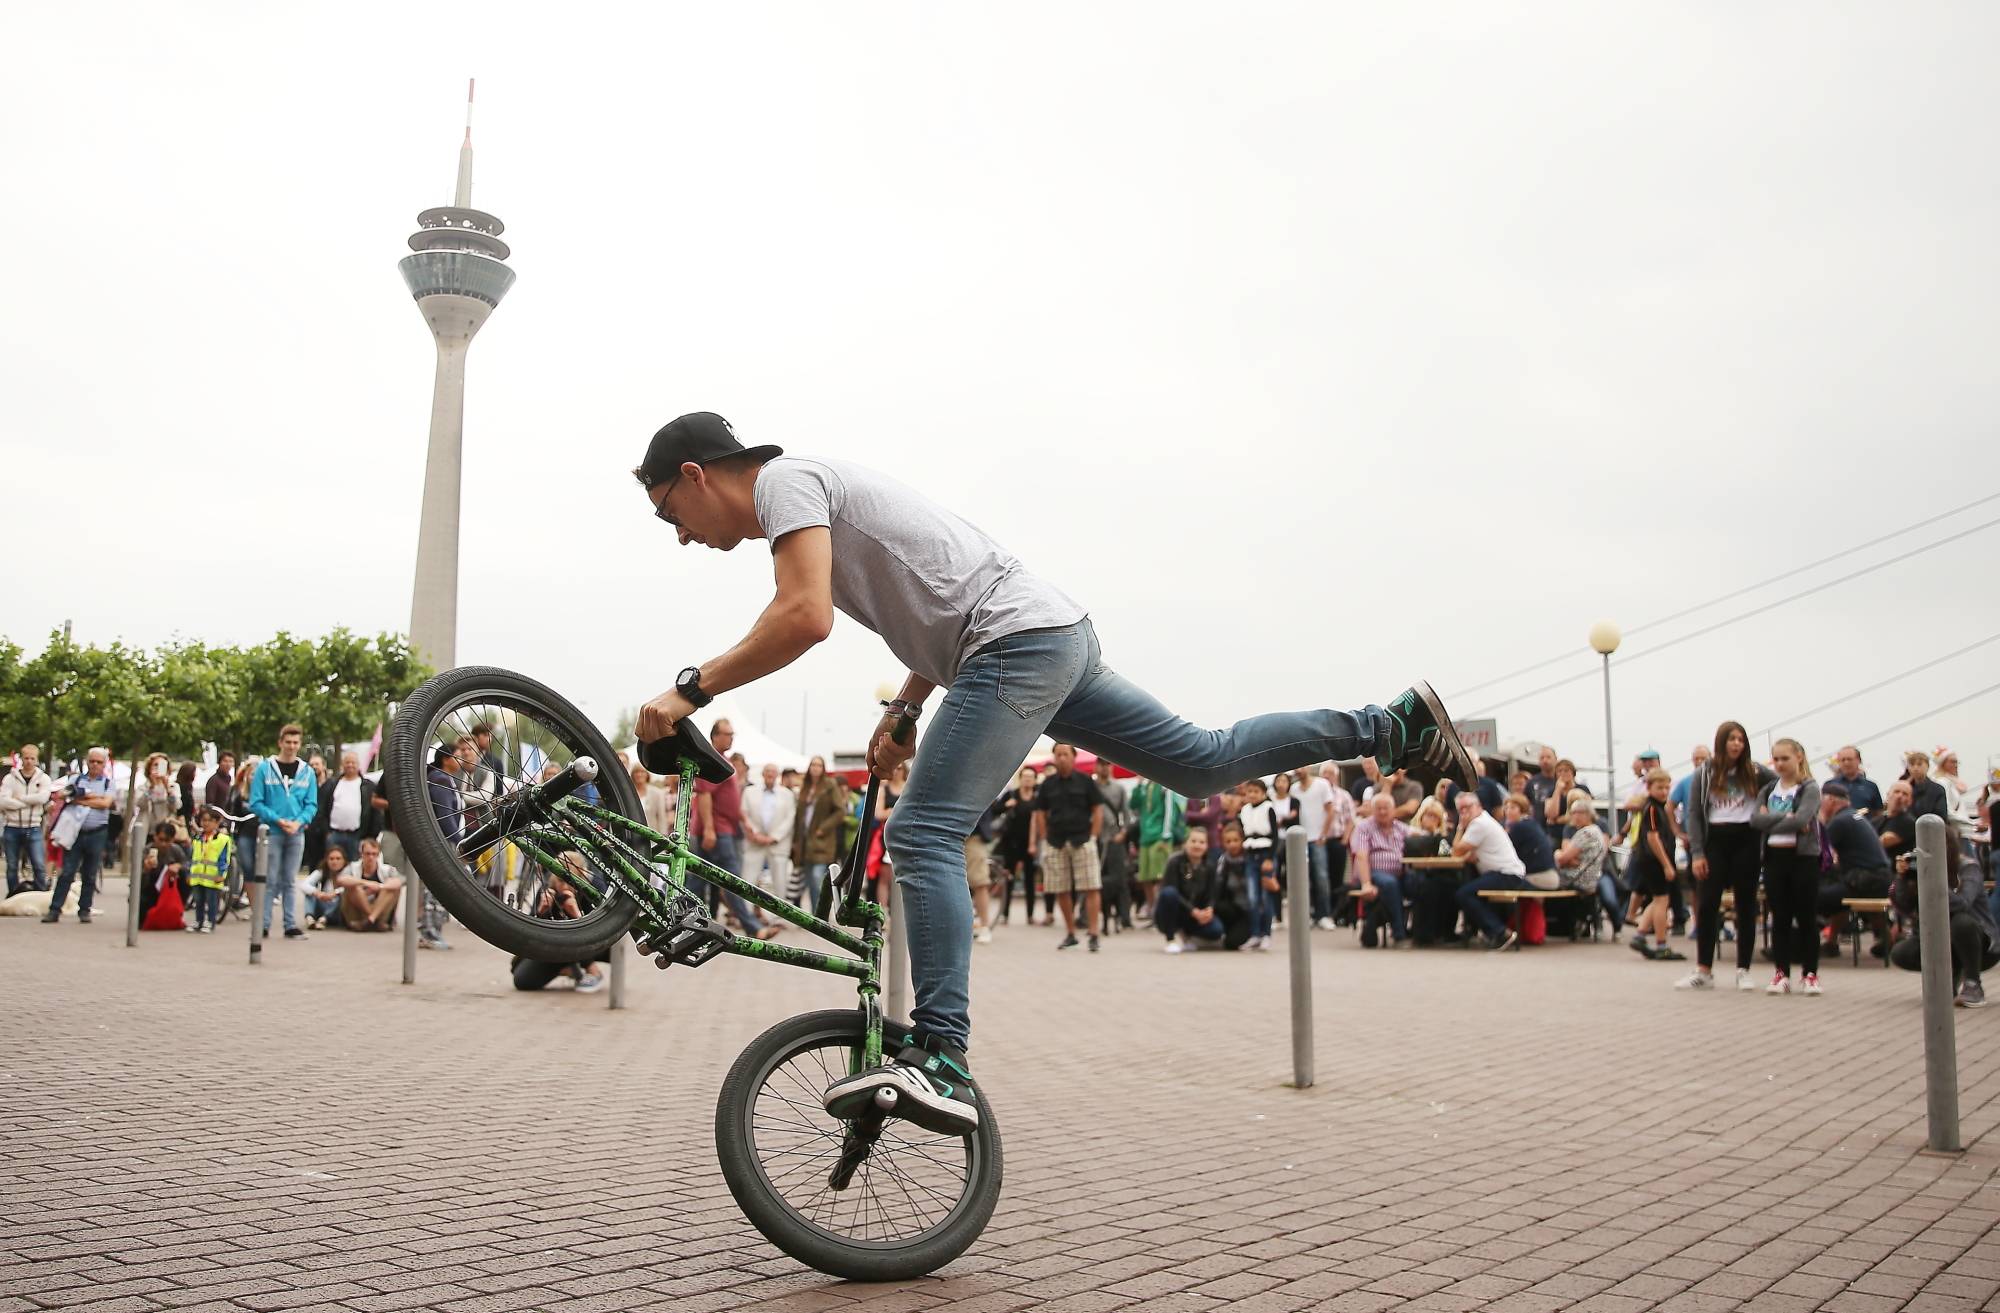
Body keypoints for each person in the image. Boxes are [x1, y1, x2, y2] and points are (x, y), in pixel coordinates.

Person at [629, 410, 1475, 1134]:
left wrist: (687, 688)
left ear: (700, 475)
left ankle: (943, 1053)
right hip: (1046, 634)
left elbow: (802, 616)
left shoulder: (787, 485)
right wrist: (908, 707)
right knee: (1205, 762)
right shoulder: (817, 491)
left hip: (1013, 645)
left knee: (922, 834)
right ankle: (1391, 724)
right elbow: (934, 596)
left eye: (672, 510)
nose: (680, 536)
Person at [1680, 720, 1774, 992]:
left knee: (1746, 905)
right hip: (1715, 841)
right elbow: (1695, 814)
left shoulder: (1755, 771)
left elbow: (1782, 784)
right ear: (1721, 742)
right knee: (1708, 903)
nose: (1736, 744)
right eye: (1731, 739)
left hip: (1746, 838)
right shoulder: (1706, 772)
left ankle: (1743, 969)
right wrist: (1697, 852)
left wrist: (1767, 808)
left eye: (1741, 740)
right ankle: (1704, 970)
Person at [1889, 832, 1998, 1008]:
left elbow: (1962, 903)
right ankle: (1947, 978)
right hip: (1940, 938)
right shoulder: (1921, 868)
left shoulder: (1968, 867)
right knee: (1900, 953)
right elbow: (1905, 905)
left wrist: (1933, 876)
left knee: (1961, 922)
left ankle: (1973, 983)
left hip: (1981, 943)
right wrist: (1903, 877)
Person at [1752, 738, 1823, 996]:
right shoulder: (1770, 788)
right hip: (1774, 858)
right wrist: (1785, 817)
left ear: (1799, 758)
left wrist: (1773, 820)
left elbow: (1803, 819)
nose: (1780, 764)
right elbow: (1755, 820)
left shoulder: (1809, 788)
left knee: (1806, 917)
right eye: (1776, 759)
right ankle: (1781, 972)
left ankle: (1810, 973)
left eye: (1785, 758)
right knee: (1779, 917)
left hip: (1803, 858)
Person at [1031, 743, 1106, 952]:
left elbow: (1097, 809)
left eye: (1065, 754)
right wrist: (1044, 837)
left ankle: (1093, 933)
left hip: (1082, 840)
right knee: (1060, 888)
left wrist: (1093, 835)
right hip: (1055, 842)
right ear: (1054, 758)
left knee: (1091, 886)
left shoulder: (1085, 781)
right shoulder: (1047, 784)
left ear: (1073, 757)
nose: (1062, 758)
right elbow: (1040, 812)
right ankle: (1071, 933)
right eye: (1058, 754)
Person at [250, 724, 318, 941]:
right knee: (269, 880)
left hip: (296, 833)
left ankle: (290, 924)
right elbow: (256, 802)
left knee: (289, 879)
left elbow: (311, 804)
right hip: (273, 831)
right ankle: (263, 924)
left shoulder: (307, 771)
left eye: (295, 742)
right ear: (280, 742)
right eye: (288, 742)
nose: (291, 746)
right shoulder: (264, 768)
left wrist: (298, 823)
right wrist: (277, 819)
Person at [1815, 780, 1893, 958]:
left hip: (1865, 880)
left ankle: (1802, 944)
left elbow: (1818, 852)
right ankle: (1832, 943)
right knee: (1839, 891)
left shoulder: (1840, 821)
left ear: (1831, 801)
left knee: (1816, 896)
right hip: (1880, 879)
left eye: (1822, 801)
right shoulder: (1853, 816)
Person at [43, 748, 117, 923]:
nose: (95, 765)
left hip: (97, 832)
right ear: (87, 761)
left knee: (90, 873)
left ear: (104, 764)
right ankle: (55, 909)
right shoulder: (76, 779)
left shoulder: (108, 783)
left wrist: (81, 798)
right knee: (67, 871)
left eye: (99, 762)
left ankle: (84, 909)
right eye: (92, 761)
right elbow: (64, 796)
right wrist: (92, 799)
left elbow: (105, 803)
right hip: (75, 832)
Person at [512, 864, 609, 994]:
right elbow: (528, 934)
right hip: (555, 948)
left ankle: (593, 971)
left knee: (572, 931)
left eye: (570, 882)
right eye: (560, 880)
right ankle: (569, 967)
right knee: (522, 979)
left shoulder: (590, 890)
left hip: (591, 948)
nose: (564, 887)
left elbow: (601, 929)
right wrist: (541, 911)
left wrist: (577, 916)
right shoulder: (547, 890)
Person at [1453, 790, 1531, 951]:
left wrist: (1460, 827)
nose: (1465, 812)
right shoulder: (1485, 820)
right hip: (1507, 873)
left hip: (1507, 874)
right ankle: (1488, 932)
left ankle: (1501, 933)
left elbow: (1456, 851)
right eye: (1461, 809)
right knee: (1468, 889)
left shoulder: (1478, 824)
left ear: (1478, 806)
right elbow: (1470, 852)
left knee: (1464, 893)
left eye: (1468, 807)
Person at [1620, 768, 1684, 962]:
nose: (1664, 792)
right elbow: (1653, 837)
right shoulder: (1653, 808)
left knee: (1657, 900)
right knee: (1662, 901)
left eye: (1667, 788)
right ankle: (1661, 943)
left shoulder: (1656, 806)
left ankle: (1640, 935)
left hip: (1649, 859)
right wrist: (1666, 864)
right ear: (1649, 787)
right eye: (1660, 787)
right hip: (1653, 860)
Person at [1348, 792, 1410, 948]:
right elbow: (1361, 856)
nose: (1382, 812)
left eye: (1386, 808)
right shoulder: (1364, 827)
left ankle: (1424, 933)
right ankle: (1399, 934)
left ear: (1393, 809)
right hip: (1374, 873)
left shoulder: (1401, 827)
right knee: (1390, 884)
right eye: (1378, 808)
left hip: (1400, 873)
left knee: (1422, 882)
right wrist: (1367, 883)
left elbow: (1418, 837)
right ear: (1373, 810)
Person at [1554, 795, 1617, 936]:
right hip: (1588, 875)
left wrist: (1558, 854)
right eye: (1573, 813)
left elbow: (1563, 858)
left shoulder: (1587, 833)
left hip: (1583, 878)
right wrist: (1570, 858)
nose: (1575, 816)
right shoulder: (1590, 830)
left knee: (1547, 881)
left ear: (1588, 814)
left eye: (1578, 813)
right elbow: (1570, 857)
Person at [790, 755, 843, 910]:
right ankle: (816, 912)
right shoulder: (805, 787)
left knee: (816, 877)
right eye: (813, 764)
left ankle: (820, 913)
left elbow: (840, 811)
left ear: (823, 768)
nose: (815, 768)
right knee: (807, 878)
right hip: (804, 841)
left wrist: (823, 828)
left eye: (819, 765)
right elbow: (799, 816)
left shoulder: (829, 785)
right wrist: (795, 841)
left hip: (821, 840)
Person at [1153, 825, 1218, 951]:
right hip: (1173, 911)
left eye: (1201, 842)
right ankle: (1170, 939)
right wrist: (1193, 910)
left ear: (1207, 846)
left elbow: (1212, 893)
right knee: (1169, 893)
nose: (1197, 845)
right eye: (1193, 841)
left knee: (1216, 929)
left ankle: (1189, 936)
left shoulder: (1210, 866)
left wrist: (1209, 909)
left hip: (1194, 915)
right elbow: (1171, 891)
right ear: (1185, 843)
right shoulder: (1174, 862)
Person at [1235, 777, 1282, 951]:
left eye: (1256, 792)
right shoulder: (1245, 810)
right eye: (1250, 792)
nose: (1253, 795)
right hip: (1250, 854)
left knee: (1265, 897)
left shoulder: (1268, 808)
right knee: (1252, 897)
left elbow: (1276, 836)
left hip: (1265, 853)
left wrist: (1270, 858)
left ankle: (1266, 934)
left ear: (1263, 793)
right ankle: (1255, 934)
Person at [2, 744, 52, 896]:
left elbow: (43, 797)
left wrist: (20, 799)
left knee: (38, 864)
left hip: (33, 826)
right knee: (12, 865)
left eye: (32, 758)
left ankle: (40, 893)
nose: (29, 761)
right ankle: (13, 894)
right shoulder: (10, 778)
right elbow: (3, 801)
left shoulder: (43, 778)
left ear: (37, 759)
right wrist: (30, 802)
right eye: (26, 758)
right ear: (21, 759)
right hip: (12, 826)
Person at [992, 768, 1040, 926]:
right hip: (1011, 842)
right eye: (1025, 777)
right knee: (1009, 878)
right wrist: (1006, 805)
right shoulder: (1012, 794)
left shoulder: (1038, 797)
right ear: (1021, 779)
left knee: (1029, 880)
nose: (1027, 780)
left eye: (1030, 777)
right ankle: (1005, 914)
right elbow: (995, 810)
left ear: (1035, 780)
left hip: (1030, 843)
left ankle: (1030, 915)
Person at [743, 762, 797, 897]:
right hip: (755, 842)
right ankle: (746, 913)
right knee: (748, 879)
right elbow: (744, 813)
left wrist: (774, 837)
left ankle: (780, 915)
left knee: (780, 881)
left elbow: (790, 818)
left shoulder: (787, 794)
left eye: (773, 771)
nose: (770, 774)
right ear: (762, 774)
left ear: (777, 775)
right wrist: (756, 834)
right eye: (767, 771)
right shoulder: (750, 791)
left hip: (778, 844)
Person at [313, 751, 376, 866]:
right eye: (347, 762)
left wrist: (369, 837)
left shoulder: (368, 787)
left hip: (356, 836)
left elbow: (374, 813)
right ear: (343, 764)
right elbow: (321, 809)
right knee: (331, 867)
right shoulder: (331, 784)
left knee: (354, 868)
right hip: (334, 835)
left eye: (353, 762)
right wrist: (326, 832)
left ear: (358, 765)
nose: (350, 765)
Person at [338, 837, 404, 931]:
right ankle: (373, 919)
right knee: (353, 887)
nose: (371, 857)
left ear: (378, 855)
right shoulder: (353, 867)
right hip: (357, 913)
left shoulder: (386, 869)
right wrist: (367, 883)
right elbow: (341, 879)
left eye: (374, 854)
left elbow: (398, 882)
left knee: (391, 888)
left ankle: (370, 919)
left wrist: (380, 887)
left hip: (381, 910)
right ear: (361, 854)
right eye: (367, 854)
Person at [185, 807, 231, 934]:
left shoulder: (222, 839)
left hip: (212, 877)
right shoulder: (197, 838)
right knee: (198, 900)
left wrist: (221, 874)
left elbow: (224, 858)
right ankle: (198, 920)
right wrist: (189, 872)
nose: (206, 823)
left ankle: (210, 921)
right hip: (197, 875)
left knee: (211, 901)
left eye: (209, 820)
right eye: (203, 820)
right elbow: (191, 856)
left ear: (216, 822)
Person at [301, 844, 349, 930]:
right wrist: (317, 893)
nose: (334, 862)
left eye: (338, 859)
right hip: (322, 905)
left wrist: (335, 893)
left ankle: (323, 920)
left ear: (344, 860)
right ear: (326, 860)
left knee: (340, 897)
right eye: (331, 859)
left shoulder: (349, 873)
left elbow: (349, 889)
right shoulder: (322, 872)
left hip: (337, 912)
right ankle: (310, 918)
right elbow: (304, 885)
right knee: (310, 893)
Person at [1872, 779, 1918, 864]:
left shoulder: (1908, 822)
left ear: (1910, 801)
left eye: (1905, 794)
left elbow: (1882, 842)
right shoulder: (1876, 821)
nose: (1900, 796)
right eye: (1896, 792)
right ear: (1888, 795)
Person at [1830, 745, 1884, 814]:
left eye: (1849, 759)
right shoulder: (1830, 786)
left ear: (1859, 760)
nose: (1846, 763)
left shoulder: (1871, 786)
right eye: (1843, 760)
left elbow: (1879, 813)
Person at [1903, 751, 1949, 822]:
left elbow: (1941, 816)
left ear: (1928, 766)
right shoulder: (1904, 790)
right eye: (1912, 764)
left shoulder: (1938, 789)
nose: (1915, 768)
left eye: (1919, 764)